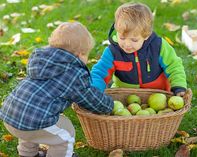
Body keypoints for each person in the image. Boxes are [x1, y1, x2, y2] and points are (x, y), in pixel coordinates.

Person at [0, 22, 114, 157]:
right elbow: (90, 98)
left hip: (10, 116)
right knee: (66, 133)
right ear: (80, 54)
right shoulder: (73, 74)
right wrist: (108, 105)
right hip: (33, 122)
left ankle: (28, 154)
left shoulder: (41, 61)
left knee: (29, 122)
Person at [91, 2, 187, 96]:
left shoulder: (158, 46)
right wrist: (95, 90)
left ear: (146, 35)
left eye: (134, 40)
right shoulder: (113, 51)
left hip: (158, 94)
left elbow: (174, 66)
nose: (127, 44)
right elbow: (100, 72)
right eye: (122, 38)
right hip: (124, 96)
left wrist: (178, 86)